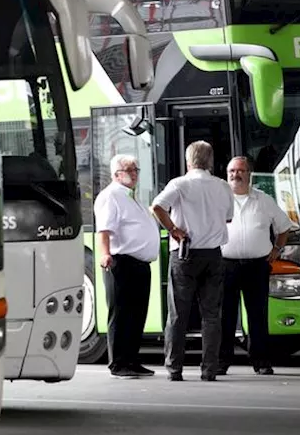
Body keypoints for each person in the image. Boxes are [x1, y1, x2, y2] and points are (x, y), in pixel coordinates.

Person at [150, 141, 234, 381]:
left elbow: (157, 206)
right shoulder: (222, 186)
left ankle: (174, 368)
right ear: (210, 161)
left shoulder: (180, 184)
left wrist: (174, 229)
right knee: (211, 315)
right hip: (214, 255)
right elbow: (228, 218)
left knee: (178, 313)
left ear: (189, 161)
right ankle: (209, 369)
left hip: (185, 254)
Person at [220, 155, 295, 375]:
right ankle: (222, 361)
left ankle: (261, 361)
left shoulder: (264, 200)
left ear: (249, 174)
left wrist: (277, 250)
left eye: (241, 171)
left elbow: (284, 227)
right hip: (226, 265)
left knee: (258, 315)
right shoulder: (220, 200)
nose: (236, 175)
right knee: (225, 316)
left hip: (257, 266)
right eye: (232, 171)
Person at [93, 153, 160, 378]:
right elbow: (104, 230)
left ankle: (131, 359)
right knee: (121, 313)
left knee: (137, 314)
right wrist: (105, 254)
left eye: (135, 170)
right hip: (122, 262)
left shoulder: (130, 196)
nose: (134, 174)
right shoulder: (111, 196)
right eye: (129, 170)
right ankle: (119, 362)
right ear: (116, 174)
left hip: (139, 264)